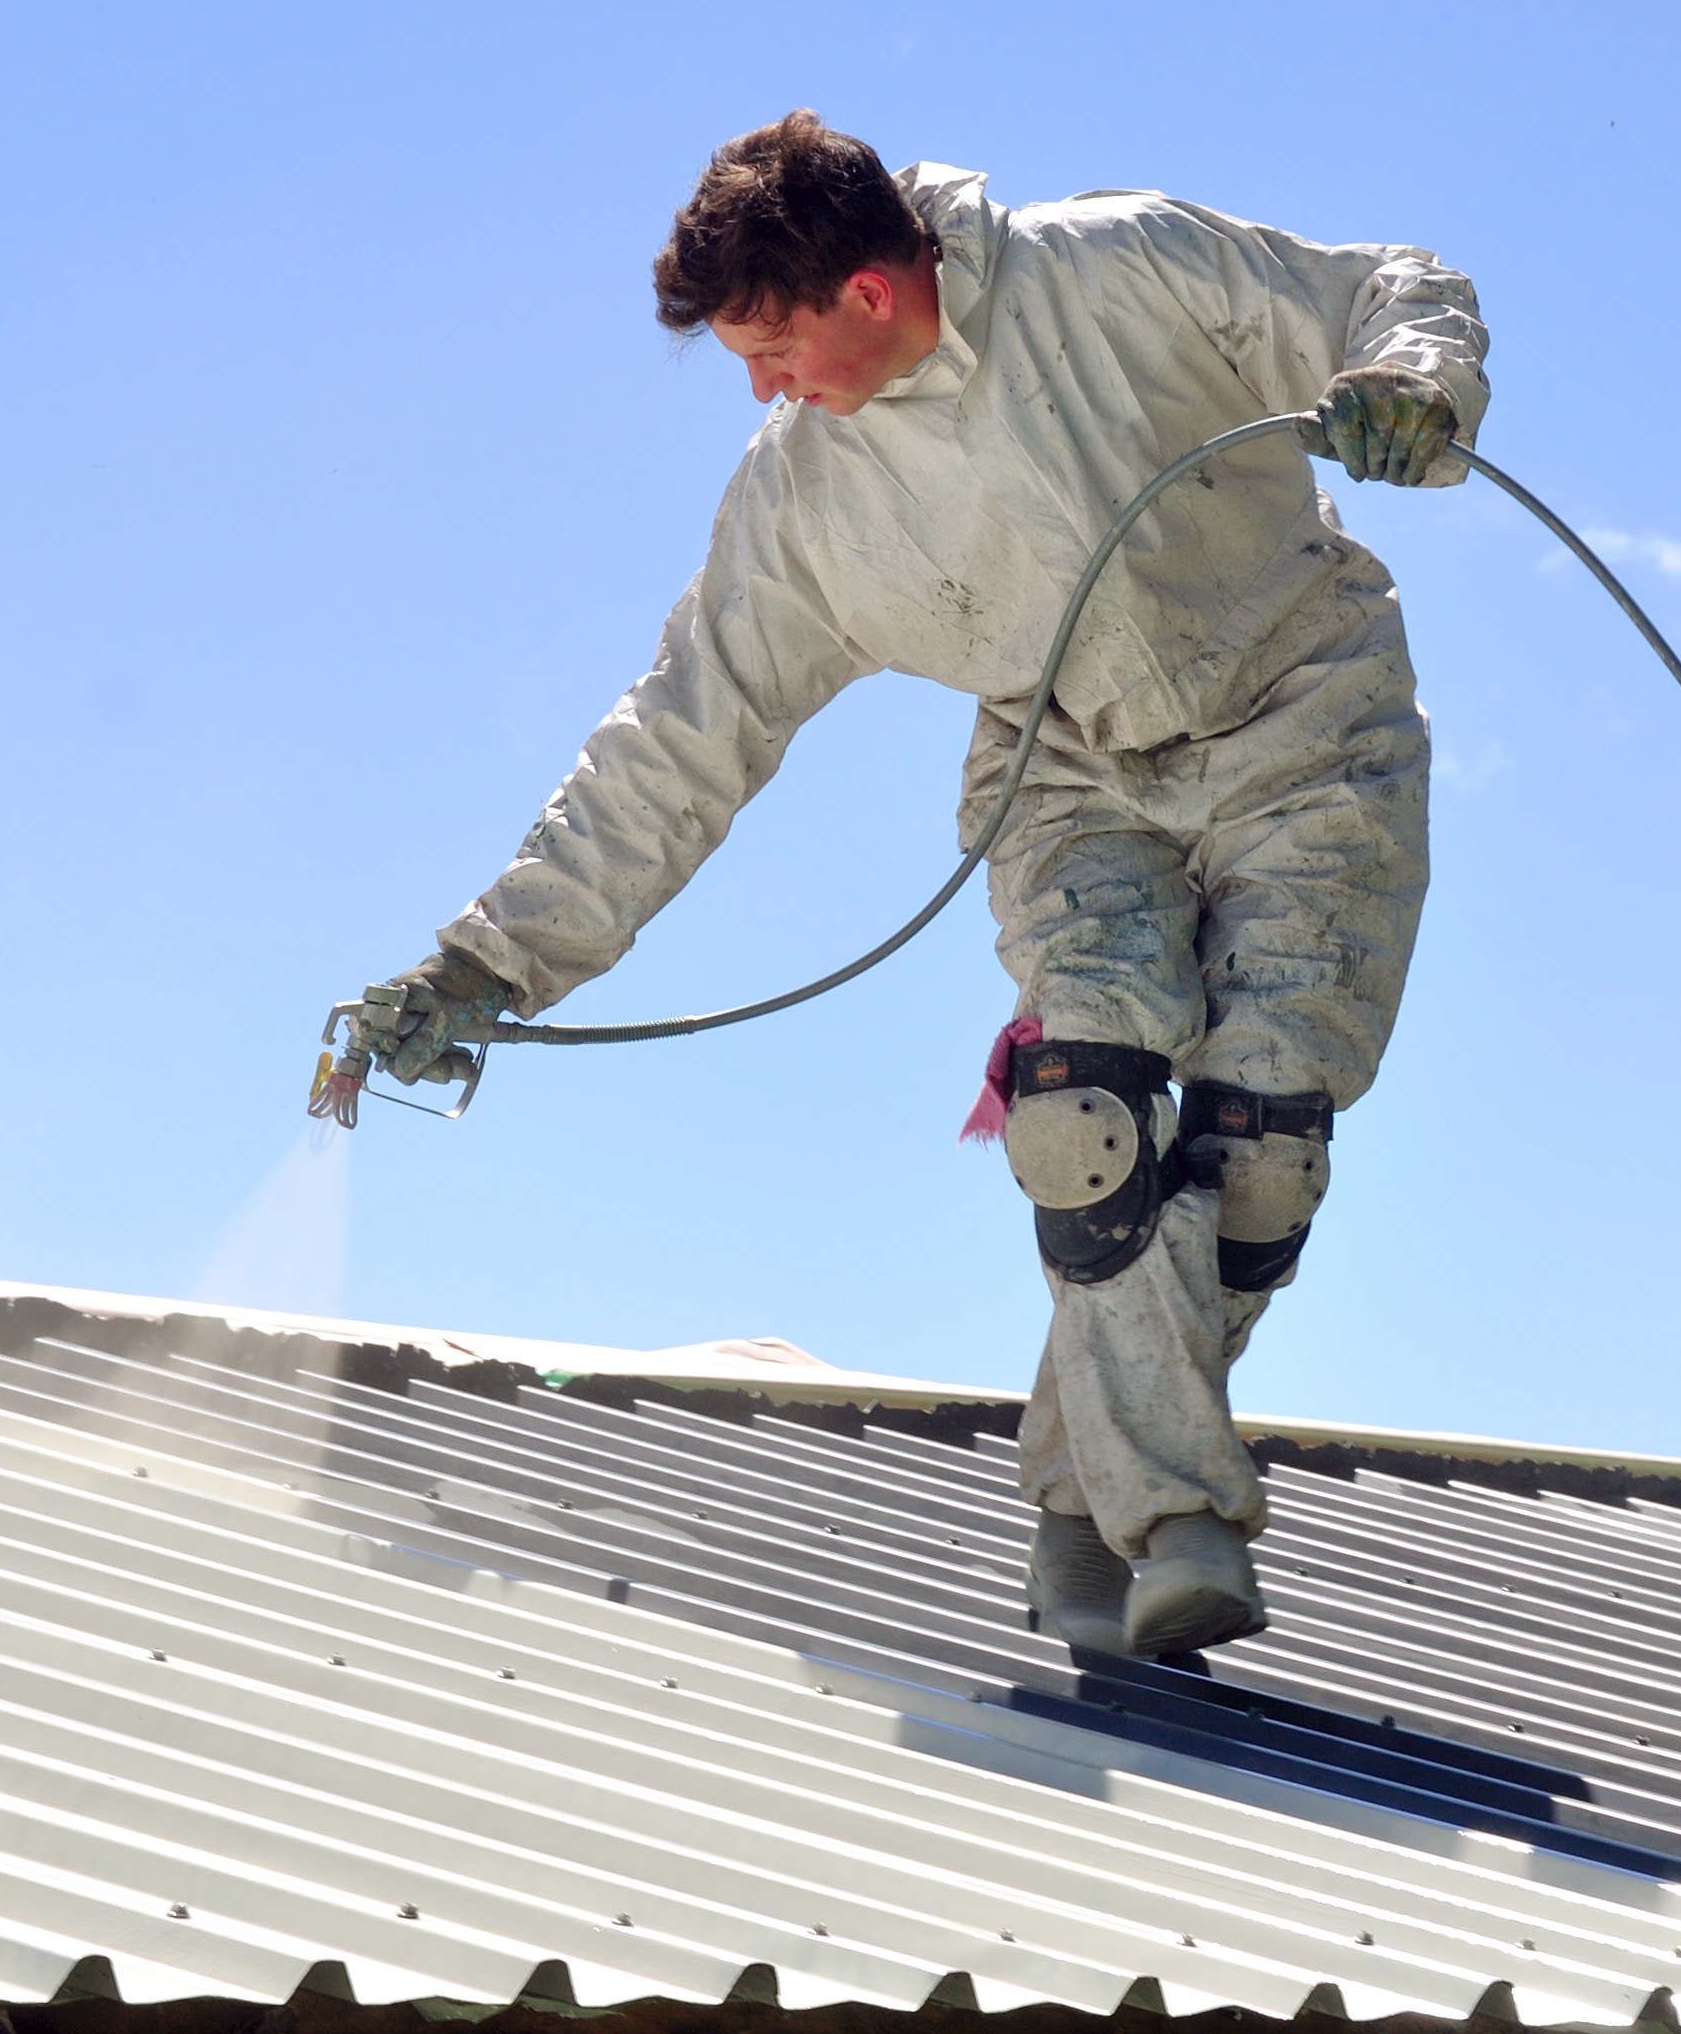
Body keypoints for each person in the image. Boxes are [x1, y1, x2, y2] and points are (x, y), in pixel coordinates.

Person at [342, 112, 1484, 1662]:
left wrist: (1414, 381)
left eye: (771, 345)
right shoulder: (804, 502)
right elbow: (680, 736)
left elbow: (1383, 284)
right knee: (1081, 1120)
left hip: (1312, 716)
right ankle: (1181, 1520)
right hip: (1069, 766)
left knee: (1260, 1149)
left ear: (868, 293)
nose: (761, 387)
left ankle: (1079, 1504)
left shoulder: (1115, 267)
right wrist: (489, 964)